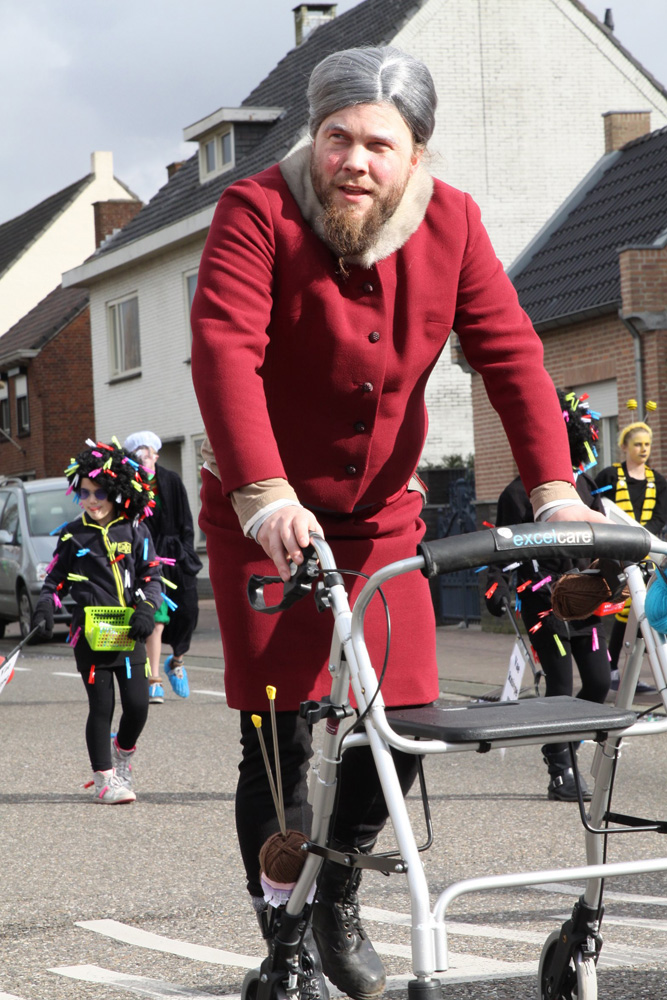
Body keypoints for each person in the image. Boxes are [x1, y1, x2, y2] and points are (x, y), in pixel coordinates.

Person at [190, 46, 608, 1000]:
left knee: (404, 723)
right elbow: (222, 349)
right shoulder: (256, 211)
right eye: (335, 137)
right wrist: (263, 492)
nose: (352, 160)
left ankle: (335, 889)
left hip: (381, 516)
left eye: (377, 144)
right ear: (314, 137)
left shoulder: (450, 221)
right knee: (279, 733)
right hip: (265, 513)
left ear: (414, 153)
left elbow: (510, 354)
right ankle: (284, 935)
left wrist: (554, 488)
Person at [485, 391, 610, 801]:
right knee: (560, 685)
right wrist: (497, 587)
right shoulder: (515, 494)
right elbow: (501, 551)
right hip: (544, 605)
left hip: (588, 599)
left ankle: (563, 746)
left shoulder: (585, 485)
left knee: (598, 682)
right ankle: (561, 772)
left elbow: (604, 536)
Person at [31, 440, 162, 803]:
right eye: (84, 493)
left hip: (130, 632)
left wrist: (147, 608)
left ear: (117, 491)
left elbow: (152, 575)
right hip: (91, 636)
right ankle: (104, 779)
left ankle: (122, 754)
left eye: (100, 492)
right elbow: (54, 581)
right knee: (101, 707)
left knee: (138, 705)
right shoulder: (73, 535)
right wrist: (44, 607)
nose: (91, 500)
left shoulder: (135, 531)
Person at [123, 432, 203, 704]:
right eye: (142, 454)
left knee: (188, 612)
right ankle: (154, 680)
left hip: (177, 557)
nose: (148, 457)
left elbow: (186, 521)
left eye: (151, 453)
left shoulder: (171, 480)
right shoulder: (131, 485)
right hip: (148, 557)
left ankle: (176, 661)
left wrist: (187, 552)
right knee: (155, 617)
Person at [595, 417, 667, 690]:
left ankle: (628, 671)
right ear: (624, 446)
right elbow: (598, 506)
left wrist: (642, 539)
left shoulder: (658, 481)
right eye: (637, 444)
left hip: (648, 551)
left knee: (640, 610)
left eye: (647, 444)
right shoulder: (608, 477)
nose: (643, 449)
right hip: (618, 551)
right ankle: (613, 670)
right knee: (625, 608)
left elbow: (660, 516)